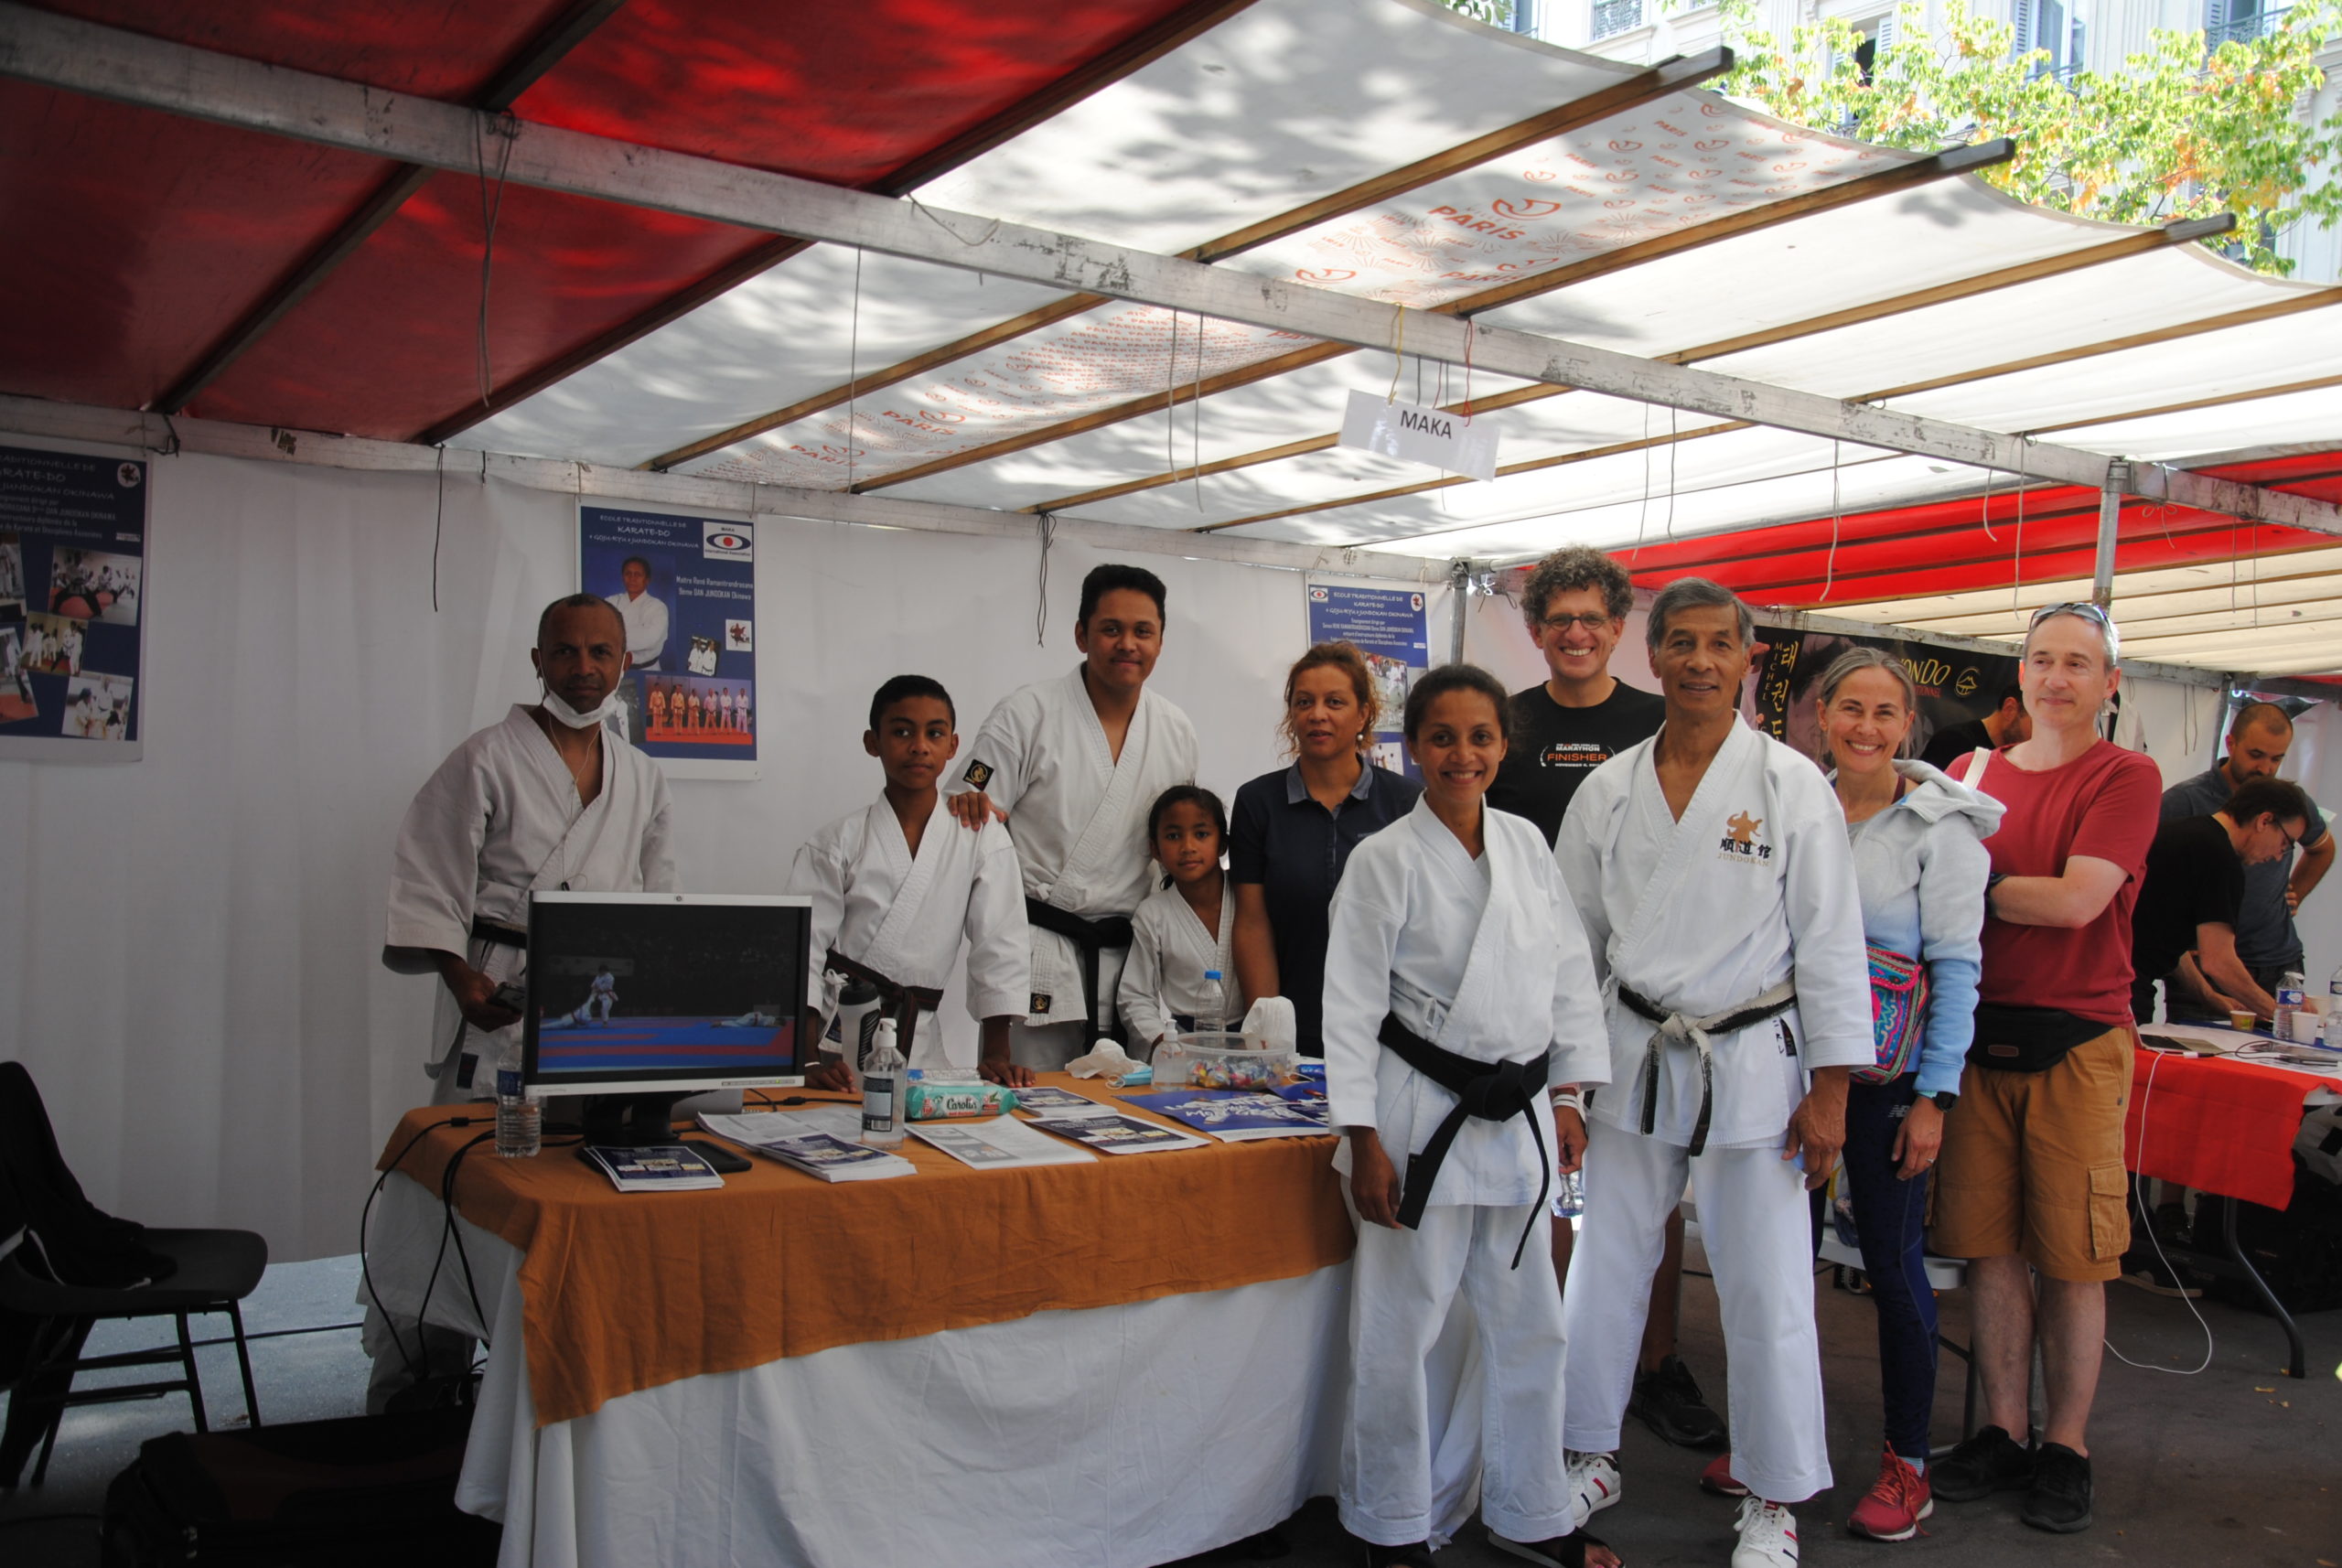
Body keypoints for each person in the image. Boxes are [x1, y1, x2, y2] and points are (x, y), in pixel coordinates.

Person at [1554, 577, 1872, 1568]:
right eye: (1680, 643)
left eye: (1718, 644)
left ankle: (1773, 1496)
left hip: (1754, 1061)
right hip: (1631, 1051)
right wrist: (1565, 1082)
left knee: (1767, 1284)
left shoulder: (1790, 784)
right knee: (1604, 1267)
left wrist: (1831, 1091)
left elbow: (1832, 942)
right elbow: (1571, 947)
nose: (1699, 661)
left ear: (1747, 659)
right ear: (1651, 657)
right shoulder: (1608, 789)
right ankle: (1585, 1452)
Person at [1323, 662, 1614, 1568]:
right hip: (1418, 1122)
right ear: (1411, 748)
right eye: (1441, 737)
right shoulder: (1382, 858)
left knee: (1533, 1327)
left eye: (1480, 737)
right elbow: (1349, 1007)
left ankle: (1531, 1512)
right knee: (1398, 1329)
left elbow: (1568, 976)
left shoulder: (1526, 844)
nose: (1462, 754)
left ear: (1502, 745)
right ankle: (1390, 1522)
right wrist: (1363, 1138)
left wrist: (1569, 1094)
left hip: (1518, 1120)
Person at [376, 593, 676, 1412]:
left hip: (596, 1011)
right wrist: (458, 976)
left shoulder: (643, 774)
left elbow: (659, 896)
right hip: (499, 995)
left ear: (624, 663)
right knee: (462, 1190)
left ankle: (551, 1377)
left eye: (601, 653)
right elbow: (430, 876)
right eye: (565, 652)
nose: (584, 668)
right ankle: (418, 1382)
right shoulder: (486, 758)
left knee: (576, 1185)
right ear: (538, 660)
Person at [1931, 602, 2162, 1535]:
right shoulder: (1968, 772)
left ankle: (2065, 1446)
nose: (2056, 678)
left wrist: (1967, 887)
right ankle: (2002, 1429)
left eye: (2077, 663)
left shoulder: (2127, 775)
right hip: (1970, 1035)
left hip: (2078, 1040)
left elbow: (2075, 903)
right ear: (2019, 673)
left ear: (2109, 683)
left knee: (2071, 1256)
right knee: (1988, 1247)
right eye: (2041, 660)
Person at [1483, 545, 1720, 1453]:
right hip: (1525, 976)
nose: (1575, 633)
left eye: (1592, 618)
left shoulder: (1662, 721)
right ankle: (1549, 1358)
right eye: (1559, 620)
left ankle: (1655, 1361)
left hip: (1643, 991)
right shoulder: (1505, 722)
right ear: (1535, 630)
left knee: (1645, 1181)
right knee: (1545, 1174)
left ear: (1621, 629)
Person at [1813, 647, 2000, 1542]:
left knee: (1892, 1269)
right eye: (1850, 708)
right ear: (1822, 715)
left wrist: (1936, 1097)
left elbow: (1958, 969)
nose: (1865, 727)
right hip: (1791, 1073)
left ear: (1907, 726)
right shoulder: (1798, 807)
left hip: (1889, 1084)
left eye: (1884, 712)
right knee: (1776, 1265)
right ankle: (1777, 1444)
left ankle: (1909, 1463)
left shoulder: (1941, 830)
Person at [947, 564, 1198, 1070]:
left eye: (1143, 631)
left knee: (1130, 1108)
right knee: (1032, 1101)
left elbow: (1179, 848)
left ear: (1160, 641)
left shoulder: (1176, 731)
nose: (1128, 644)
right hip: (1038, 951)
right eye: (1111, 629)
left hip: (1130, 962)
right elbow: (966, 807)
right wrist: (969, 802)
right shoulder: (1026, 714)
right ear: (1082, 635)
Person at [790, 675, 1033, 1090]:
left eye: (934, 733)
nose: (919, 746)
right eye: (902, 732)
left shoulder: (980, 837)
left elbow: (1001, 943)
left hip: (920, 1044)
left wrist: (997, 1053)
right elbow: (802, 951)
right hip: (836, 1043)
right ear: (873, 742)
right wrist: (808, 1059)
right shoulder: (836, 842)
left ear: (952, 746)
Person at [1229, 642, 1419, 1058]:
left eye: (1334, 702)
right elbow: (1252, 923)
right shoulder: (1258, 803)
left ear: (1363, 713)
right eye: (1304, 702)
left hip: (1392, 1033)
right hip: (1297, 1029)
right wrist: (1270, 1034)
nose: (1317, 714)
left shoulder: (1406, 802)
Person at [2159, 703, 2332, 1004]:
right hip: (2207, 966)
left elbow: (2322, 848)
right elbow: (2149, 883)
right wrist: (2179, 935)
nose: (2265, 768)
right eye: (2256, 755)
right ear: (2231, 743)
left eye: (2276, 759)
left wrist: (2294, 895)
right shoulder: (2184, 802)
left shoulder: (2290, 802)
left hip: (2277, 958)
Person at [2130, 776, 2312, 1026]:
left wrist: (2209, 996)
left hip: (2114, 979)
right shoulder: (2220, 860)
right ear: (2264, 821)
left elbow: (2162, 935)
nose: (2279, 857)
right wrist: (2282, 1015)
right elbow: (2219, 962)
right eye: (2285, 844)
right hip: (2121, 986)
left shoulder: (2184, 832)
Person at [1120, 786, 1242, 1051]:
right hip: (1184, 1046)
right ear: (1155, 849)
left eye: (1201, 834)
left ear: (1223, 843)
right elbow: (1135, 996)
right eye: (1173, 836)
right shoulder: (1153, 914)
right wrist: (1163, 1042)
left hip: (1249, 1042)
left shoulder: (1247, 899)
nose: (1188, 847)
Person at [1918, 681, 2029, 769]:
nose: (2038, 737)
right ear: (2010, 709)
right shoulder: (1953, 742)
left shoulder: (2021, 760)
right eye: (2035, 723)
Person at [607, 555, 670, 672]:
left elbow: (650, 638)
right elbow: (595, 629)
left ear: (647, 580)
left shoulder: (657, 607)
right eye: (628, 574)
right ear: (622, 577)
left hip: (646, 669)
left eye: (638, 574)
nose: (632, 578)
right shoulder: (611, 602)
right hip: (614, 669)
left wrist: (609, 637)